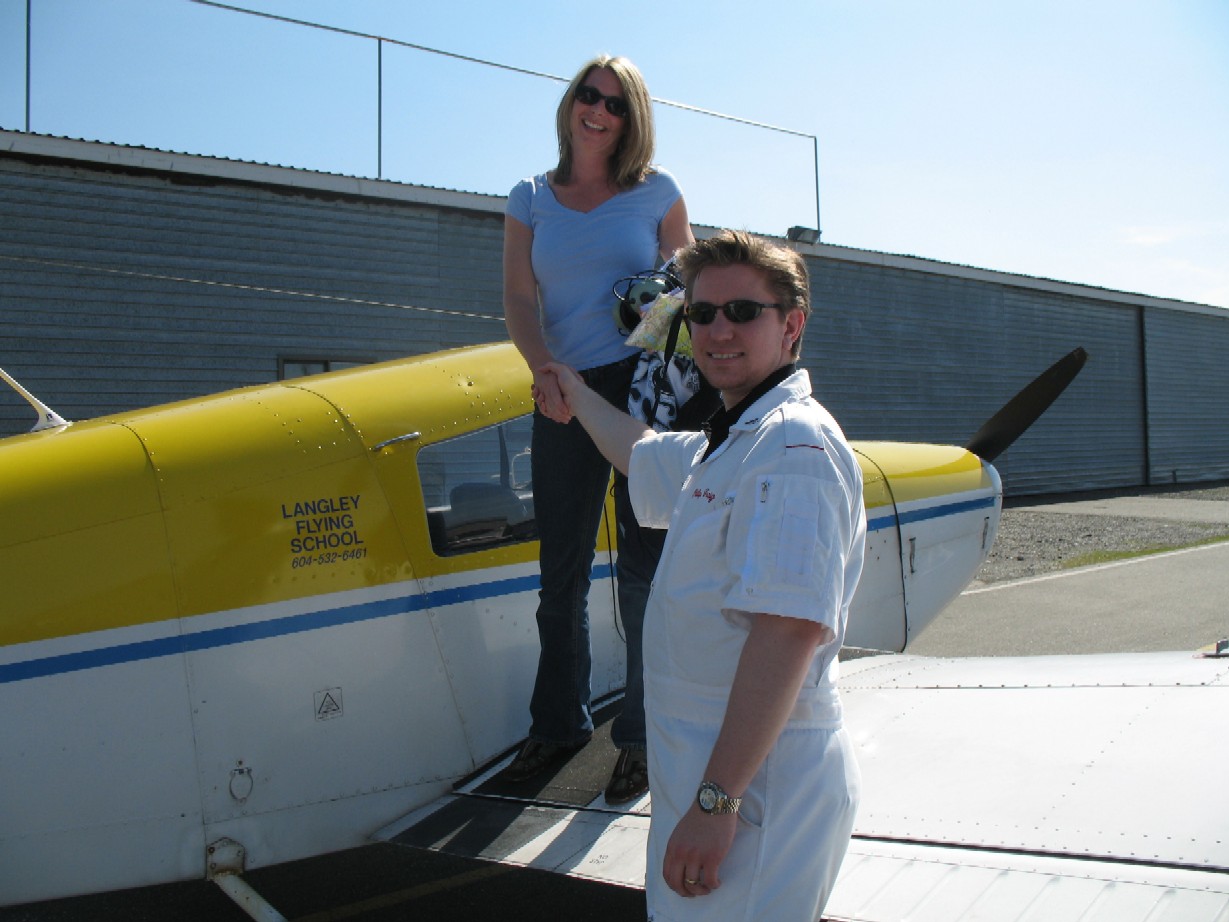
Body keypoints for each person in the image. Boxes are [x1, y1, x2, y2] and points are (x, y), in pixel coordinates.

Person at [541, 229, 866, 921]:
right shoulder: (735, 436)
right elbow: (645, 453)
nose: (717, 329)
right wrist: (573, 391)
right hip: (719, 774)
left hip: (756, 790)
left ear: (791, 325)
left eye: (743, 312)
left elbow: (786, 632)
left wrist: (718, 805)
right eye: (701, 313)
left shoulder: (793, 447)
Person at [500, 54, 694, 803]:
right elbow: (519, 297)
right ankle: (557, 724)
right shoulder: (528, 197)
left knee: (645, 576)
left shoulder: (658, 191)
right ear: (570, 104)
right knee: (562, 576)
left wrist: (644, 357)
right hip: (560, 390)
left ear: (630, 117)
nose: (598, 110)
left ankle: (641, 738)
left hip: (639, 393)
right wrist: (546, 369)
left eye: (615, 103)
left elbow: (685, 288)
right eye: (588, 95)